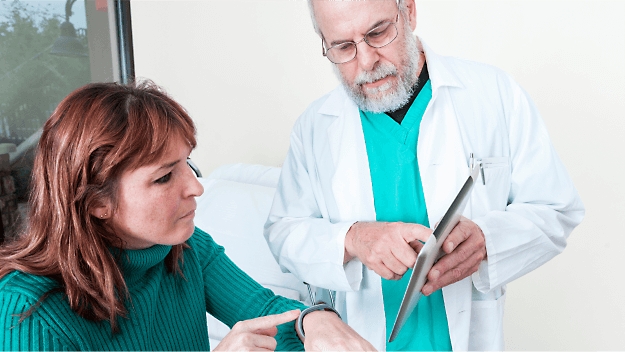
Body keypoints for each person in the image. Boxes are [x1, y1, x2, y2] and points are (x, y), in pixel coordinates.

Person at [264, 0, 585, 350]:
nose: (366, 61)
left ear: (410, 12)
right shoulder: (314, 128)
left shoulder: (493, 95)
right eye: (343, 47)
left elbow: (556, 209)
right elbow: (283, 232)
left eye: (378, 32)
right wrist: (352, 239)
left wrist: (487, 240)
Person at [0, 82, 375, 351]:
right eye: (164, 177)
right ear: (97, 202)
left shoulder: (185, 249)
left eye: (187, 164)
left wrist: (316, 320)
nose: (195, 187)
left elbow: (265, 312)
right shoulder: (29, 315)